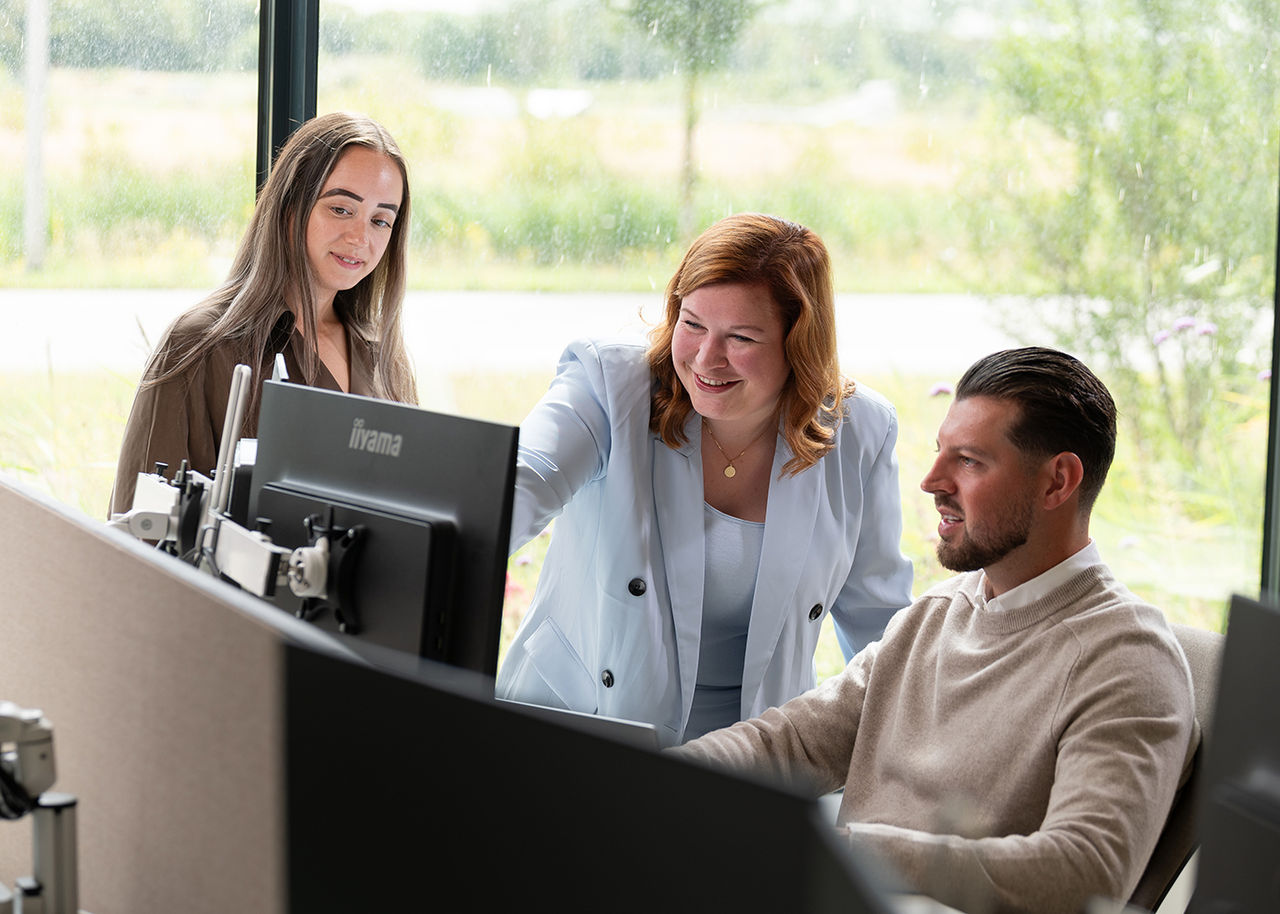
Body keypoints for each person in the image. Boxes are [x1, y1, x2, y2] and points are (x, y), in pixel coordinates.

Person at [674, 347, 1199, 914]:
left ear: (1058, 482)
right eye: (939, 453)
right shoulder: (937, 613)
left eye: (969, 461)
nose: (930, 481)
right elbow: (792, 742)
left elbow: (1084, 873)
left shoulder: (1127, 660)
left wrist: (841, 849)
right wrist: (655, 784)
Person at [496, 213, 914, 746]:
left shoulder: (860, 431)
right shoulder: (607, 386)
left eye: (740, 337)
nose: (705, 359)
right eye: (692, 324)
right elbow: (517, 486)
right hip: (578, 729)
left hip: (752, 756)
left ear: (798, 344)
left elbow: (880, 625)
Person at [110, 111, 418, 516]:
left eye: (381, 220)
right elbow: (139, 535)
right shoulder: (200, 347)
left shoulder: (383, 358)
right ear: (290, 206)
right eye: (341, 209)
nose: (361, 237)